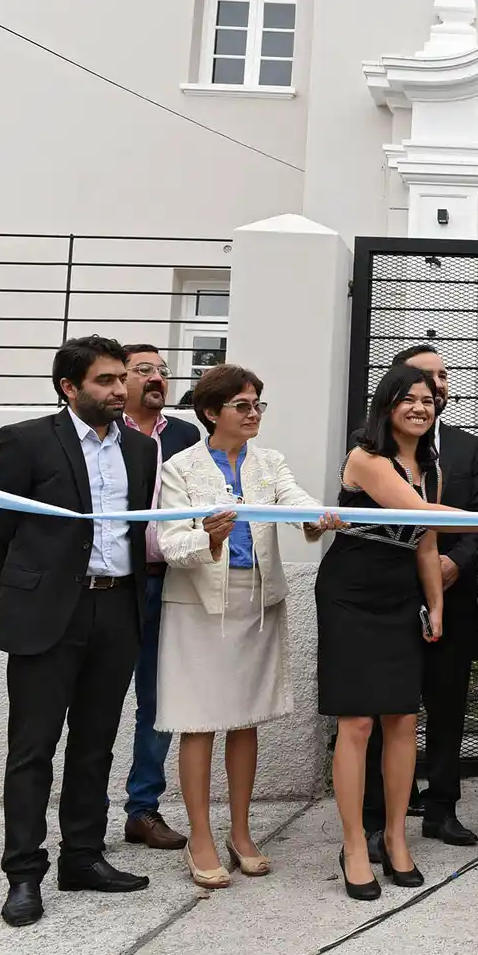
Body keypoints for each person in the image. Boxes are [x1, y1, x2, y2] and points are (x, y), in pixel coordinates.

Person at [317, 364, 478, 901]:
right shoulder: (366, 458)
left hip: (401, 593)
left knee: (404, 717)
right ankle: (355, 844)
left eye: (428, 400)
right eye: (408, 399)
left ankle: (397, 838)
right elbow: (415, 510)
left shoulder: (426, 463)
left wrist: (436, 605)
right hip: (352, 592)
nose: (420, 408)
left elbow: (425, 538)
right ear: (387, 405)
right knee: (358, 721)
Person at [0, 336, 159, 927]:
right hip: (48, 614)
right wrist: (33, 589)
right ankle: (23, 873)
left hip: (116, 610)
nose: (118, 390)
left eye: (120, 379)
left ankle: (83, 856)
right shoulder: (26, 440)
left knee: (96, 744)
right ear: (69, 387)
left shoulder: (138, 448)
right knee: (32, 749)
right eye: (105, 381)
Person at [152, 364, 343, 887]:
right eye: (243, 405)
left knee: (245, 718)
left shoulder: (269, 461)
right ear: (212, 412)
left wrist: (317, 516)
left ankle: (240, 831)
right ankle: (200, 835)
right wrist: (209, 538)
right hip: (196, 605)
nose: (254, 412)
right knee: (197, 720)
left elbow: (293, 499)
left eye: (259, 403)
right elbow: (169, 542)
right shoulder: (181, 467)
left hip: (257, 603)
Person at [360, 345, 478, 855]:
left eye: (441, 376)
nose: (435, 386)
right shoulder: (373, 448)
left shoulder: (465, 446)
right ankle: (377, 820)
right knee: (383, 708)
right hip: (389, 594)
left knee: (448, 705)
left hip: (451, 592)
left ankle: (442, 810)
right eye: (422, 378)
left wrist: (455, 561)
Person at [118, 343, 200, 852]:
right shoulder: (106, 433)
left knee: (158, 702)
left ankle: (142, 808)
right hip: (114, 585)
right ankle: (78, 815)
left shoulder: (186, 435)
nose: (156, 378)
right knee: (97, 701)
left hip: (169, 582)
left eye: (162, 371)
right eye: (143, 370)